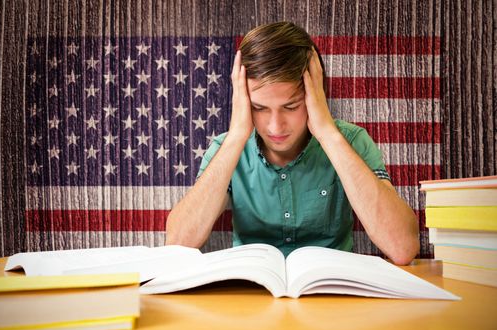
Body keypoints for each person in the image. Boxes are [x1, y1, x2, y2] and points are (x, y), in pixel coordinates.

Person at [166, 22, 419, 265]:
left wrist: (327, 132)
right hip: (249, 296)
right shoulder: (227, 148)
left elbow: (402, 247)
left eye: (291, 106)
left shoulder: (351, 141)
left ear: (315, 96)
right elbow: (178, 243)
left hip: (333, 296)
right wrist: (235, 138)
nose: (275, 127)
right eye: (259, 108)